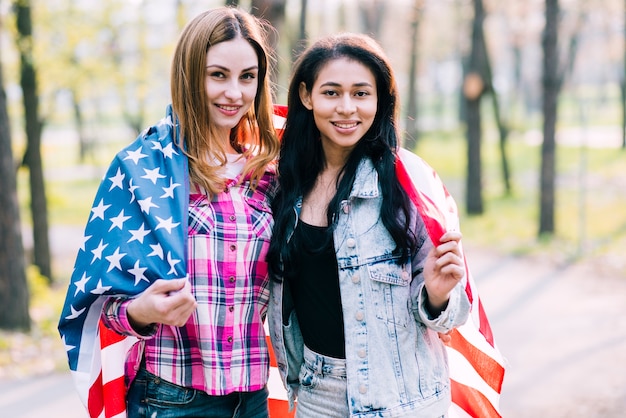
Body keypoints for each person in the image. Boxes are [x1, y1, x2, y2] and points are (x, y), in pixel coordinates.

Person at [58, 7, 280, 418]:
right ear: (189, 74)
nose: (234, 92)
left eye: (247, 77)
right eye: (218, 75)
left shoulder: (268, 172)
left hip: (253, 398)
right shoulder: (144, 170)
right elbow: (98, 303)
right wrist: (142, 312)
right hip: (171, 397)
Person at [266, 33, 472, 417]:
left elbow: (454, 313)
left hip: (402, 399)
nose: (347, 108)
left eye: (361, 94)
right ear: (307, 97)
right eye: (332, 93)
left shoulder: (407, 181)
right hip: (315, 395)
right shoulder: (281, 186)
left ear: (380, 101)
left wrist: (438, 293)